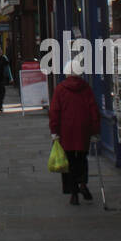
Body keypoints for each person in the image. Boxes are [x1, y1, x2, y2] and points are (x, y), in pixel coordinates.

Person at [49, 64, 101, 204]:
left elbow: (55, 111)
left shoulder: (60, 89)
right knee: (82, 158)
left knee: (69, 161)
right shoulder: (86, 88)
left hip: (66, 130)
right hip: (83, 129)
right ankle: (83, 183)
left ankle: (73, 193)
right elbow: (93, 110)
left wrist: (54, 131)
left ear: (66, 73)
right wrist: (95, 131)